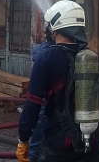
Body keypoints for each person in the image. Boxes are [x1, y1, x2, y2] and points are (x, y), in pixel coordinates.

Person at [16, 0, 99, 162]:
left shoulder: (46, 58)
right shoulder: (93, 58)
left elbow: (32, 103)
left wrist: (23, 138)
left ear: (56, 27)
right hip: (92, 141)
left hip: (58, 144)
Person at [28, 27, 55, 161]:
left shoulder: (39, 49)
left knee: (36, 141)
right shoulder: (56, 53)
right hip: (53, 105)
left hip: (40, 103)